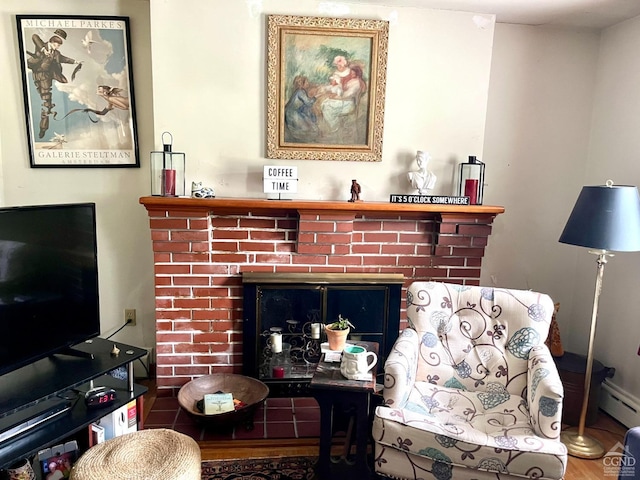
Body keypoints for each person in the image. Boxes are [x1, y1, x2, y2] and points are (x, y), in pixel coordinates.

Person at [26, 28, 81, 138]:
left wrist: (75, 61)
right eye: (56, 45)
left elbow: (63, 59)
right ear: (51, 42)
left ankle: (43, 127)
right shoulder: (42, 45)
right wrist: (42, 50)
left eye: (58, 46)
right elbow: (34, 36)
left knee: (47, 103)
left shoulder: (56, 53)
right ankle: (42, 128)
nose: (57, 47)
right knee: (44, 101)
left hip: (48, 76)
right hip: (39, 72)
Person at [284, 75, 318, 142]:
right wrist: (315, 97)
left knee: (311, 126)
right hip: (292, 114)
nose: (308, 83)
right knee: (306, 130)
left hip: (296, 112)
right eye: (306, 82)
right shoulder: (300, 92)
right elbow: (308, 102)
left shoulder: (300, 91)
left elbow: (306, 104)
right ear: (301, 84)